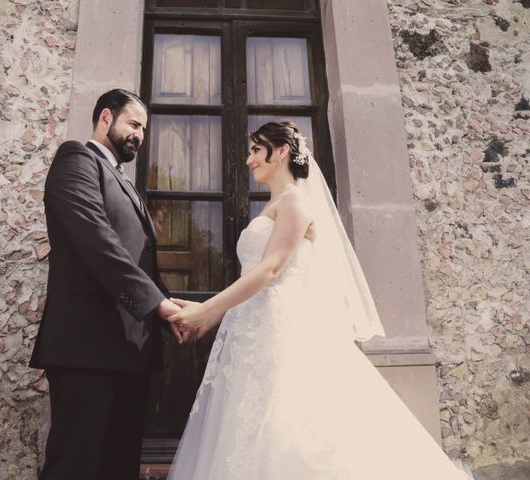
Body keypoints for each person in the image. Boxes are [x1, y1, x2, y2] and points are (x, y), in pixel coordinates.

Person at [166, 122, 473, 479]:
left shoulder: (296, 202)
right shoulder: (273, 206)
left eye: (255, 149)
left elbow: (270, 270)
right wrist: (210, 319)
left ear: (281, 151)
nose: (249, 160)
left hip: (283, 333)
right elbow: (251, 278)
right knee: (246, 427)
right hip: (251, 331)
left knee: (289, 429)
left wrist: (207, 307)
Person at [29, 88, 188, 480]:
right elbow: (97, 241)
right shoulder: (75, 160)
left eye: (143, 129)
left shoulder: (125, 182)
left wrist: (167, 302)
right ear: (105, 118)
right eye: (133, 124)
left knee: (117, 468)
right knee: (75, 466)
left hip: (129, 349)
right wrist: (157, 304)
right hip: (86, 348)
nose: (139, 135)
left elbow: (137, 257)